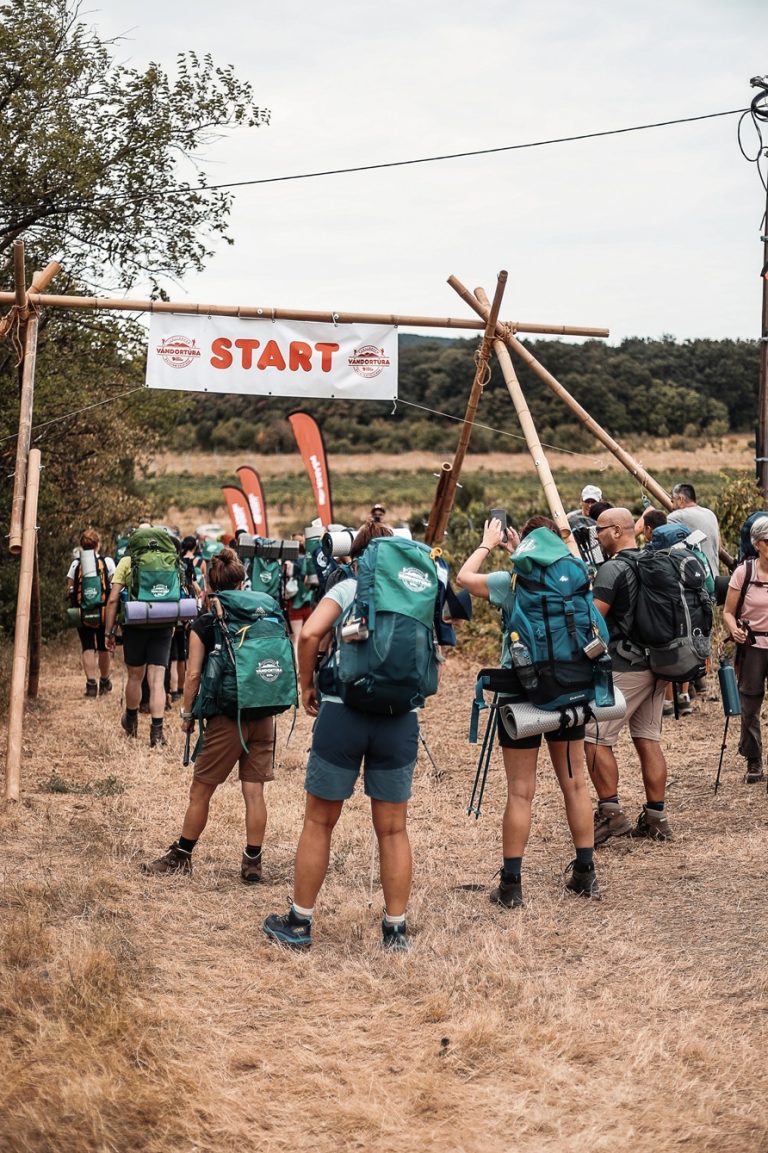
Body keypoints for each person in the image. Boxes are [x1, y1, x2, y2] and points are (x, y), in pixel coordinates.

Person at [263, 519, 419, 951]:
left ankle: (299, 923)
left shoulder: (350, 587)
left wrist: (306, 683)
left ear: (355, 553)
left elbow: (311, 632)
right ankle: (395, 931)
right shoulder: (414, 587)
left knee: (319, 821)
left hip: (343, 712)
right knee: (393, 830)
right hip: (400, 717)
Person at [456, 514, 601, 906]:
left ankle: (511, 886)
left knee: (521, 792)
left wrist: (490, 544)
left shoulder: (511, 583)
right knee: (575, 784)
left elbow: (464, 578)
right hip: (570, 690)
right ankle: (585, 875)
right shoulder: (577, 580)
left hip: (521, 693)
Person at [141, 548, 278, 879]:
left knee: (200, 790)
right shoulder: (264, 610)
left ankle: (181, 856)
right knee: (254, 791)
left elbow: (192, 676)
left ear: (210, 581)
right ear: (242, 579)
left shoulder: (206, 621)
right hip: (264, 711)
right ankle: (252, 862)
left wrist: (188, 716)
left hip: (227, 716)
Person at [584, 507, 673, 843]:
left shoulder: (612, 569)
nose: (597, 536)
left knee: (593, 737)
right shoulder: (655, 561)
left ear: (618, 531)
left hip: (626, 666)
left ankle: (611, 814)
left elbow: (594, 621)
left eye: (601, 530)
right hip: (660, 664)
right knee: (647, 738)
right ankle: (656, 818)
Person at [103, 524, 175, 748]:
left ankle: (132, 722)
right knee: (156, 681)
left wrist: (109, 631)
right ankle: (156, 733)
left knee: (135, 677)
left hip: (135, 624)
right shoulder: (168, 557)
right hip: (163, 624)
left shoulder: (127, 560)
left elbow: (113, 599)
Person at [723, 515, 768, 784]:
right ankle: (754, 760)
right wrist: (733, 629)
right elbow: (728, 612)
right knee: (749, 704)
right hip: (752, 646)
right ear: (758, 544)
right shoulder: (744, 572)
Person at [66, 529, 115, 697]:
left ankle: (91, 685)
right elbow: (114, 586)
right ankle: (105, 681)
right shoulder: (107, 562)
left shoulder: (75, 564)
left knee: (87, 646)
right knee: (103, 646)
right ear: (98, 544)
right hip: (103, 611)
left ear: (81, 545)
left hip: (83, 611)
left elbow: (70, 589)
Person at [667, 483, 720, 578]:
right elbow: (718, 548)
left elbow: (660, 539)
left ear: (681, 499)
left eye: (673, 501)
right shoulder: (710, 514)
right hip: (715, 577)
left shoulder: (676, 516)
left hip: (697, 581)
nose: (672, 506)